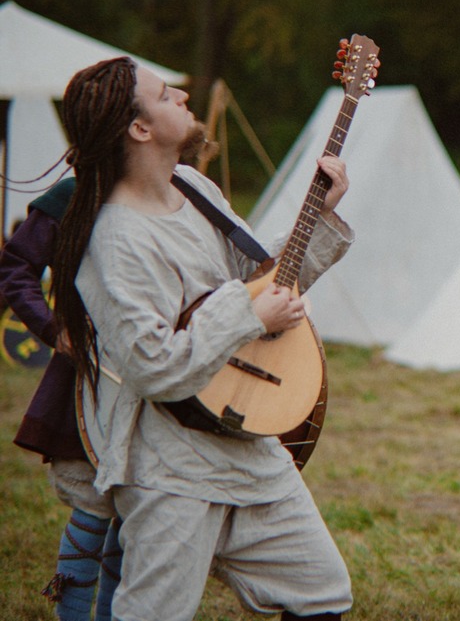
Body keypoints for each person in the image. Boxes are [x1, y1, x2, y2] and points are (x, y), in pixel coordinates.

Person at [50, 56, 355, 621]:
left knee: (322, 592)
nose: (184, 98)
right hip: (171, 465)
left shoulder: (191, 185)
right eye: (167, 96)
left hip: (245, 443)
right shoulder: (116, 239)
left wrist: (321, 217)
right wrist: (249, 314)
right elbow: (153, 367)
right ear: (140, 129)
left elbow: (258, 281)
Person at [5, 176, 123, 621]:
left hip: (156, 378)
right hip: (89, 377)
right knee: (93, 507)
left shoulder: (177, 188)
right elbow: (15, 265)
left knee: (135, 517)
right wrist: (53, 327)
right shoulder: (75, 193)